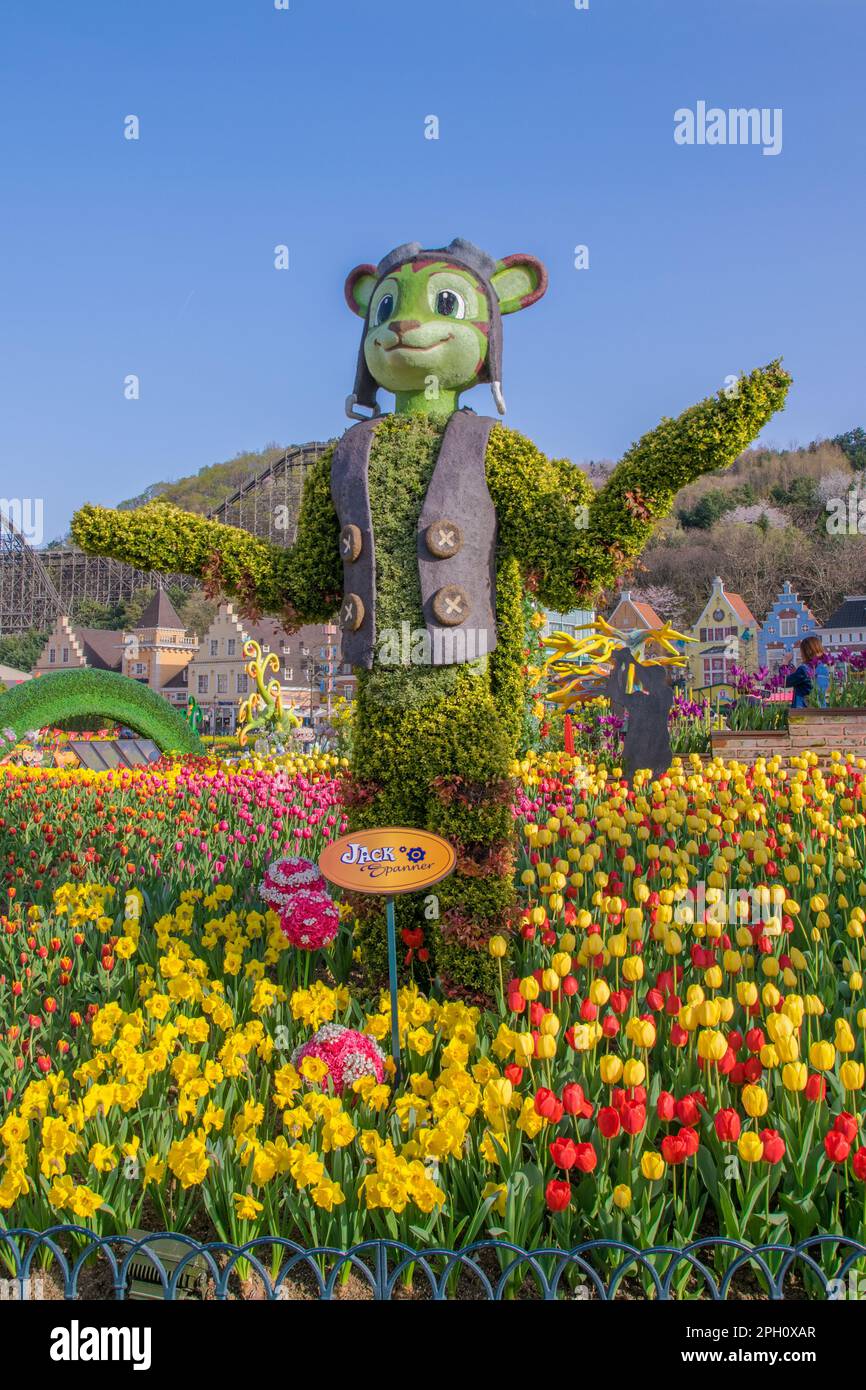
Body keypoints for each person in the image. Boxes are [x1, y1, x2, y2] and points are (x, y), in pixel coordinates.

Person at [785, 634, 827, 708]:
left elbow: (785, 682)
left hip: (803, 711)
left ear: (807, 652)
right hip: (820, 709)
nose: (801, 655)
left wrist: (785, 662)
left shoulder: (803, 669)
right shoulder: (824, 670)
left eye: (801, 651)